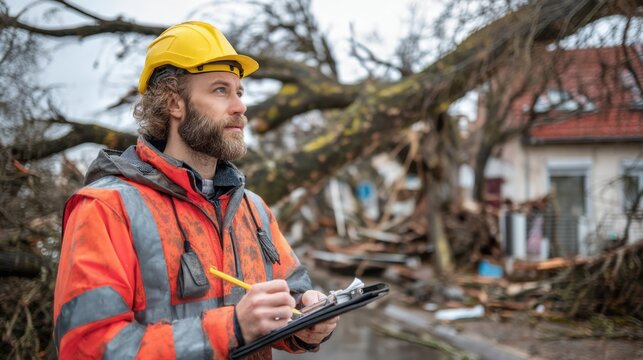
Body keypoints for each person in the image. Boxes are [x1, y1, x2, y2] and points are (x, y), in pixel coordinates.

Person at [53, 21, 338, 359]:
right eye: (220, 90)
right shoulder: (106, 208)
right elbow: (85, 347)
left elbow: (291, 297)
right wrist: (230, 328)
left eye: (239, 92)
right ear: (175, 104)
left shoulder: (253, 209)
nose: (240, 107)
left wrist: (306, 319)